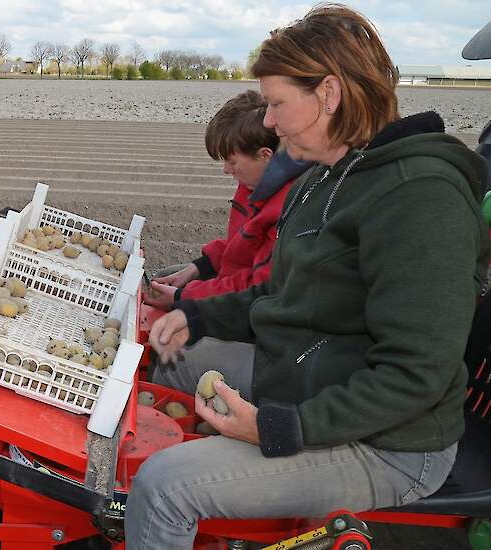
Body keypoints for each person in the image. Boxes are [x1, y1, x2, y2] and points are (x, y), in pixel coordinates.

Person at [125, 4, 491, 549]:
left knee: (163, 486)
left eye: (276, 103)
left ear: (328, 94)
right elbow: (281, 291)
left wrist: (277, 429)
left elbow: (416, 376)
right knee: (171, 358)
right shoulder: (322, 179)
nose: (267, 120)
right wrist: (195, 314)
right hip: (311, 374)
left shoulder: (422, 198)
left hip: (388, 443)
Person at [145, 91, 310, 311]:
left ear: (265, 155)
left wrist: (184, 298)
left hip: (252, 307)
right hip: (235, 281)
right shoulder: (252, 183)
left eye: (232, 161)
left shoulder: (287, 208)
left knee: (176, 335)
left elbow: (256, 287)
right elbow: (240, 245)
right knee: (168, 277)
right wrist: (198, 268)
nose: (225, 170)